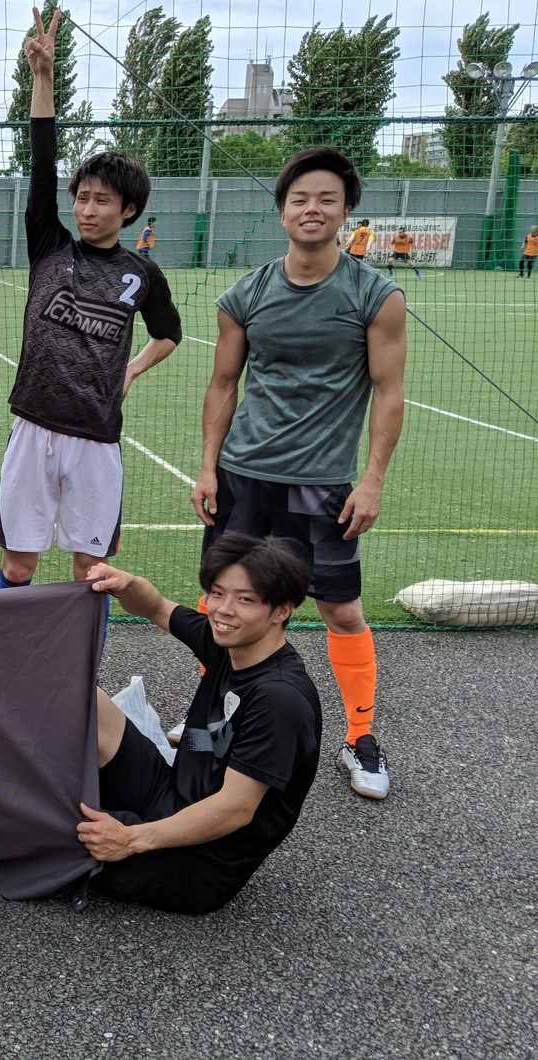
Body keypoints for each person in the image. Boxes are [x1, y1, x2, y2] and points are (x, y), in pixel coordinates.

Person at [193, 146, 407, 800]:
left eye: (326, 199)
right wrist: (207, 467)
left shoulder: (376, 296)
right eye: (299, 199)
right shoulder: (247, 294)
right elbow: (223, 384)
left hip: (324, 483)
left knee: (341, 609)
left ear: (346, 212)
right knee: (225, 602)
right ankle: (212, 720)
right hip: (243, 476)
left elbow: (389, 393)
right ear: (282, 210)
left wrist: (371, 481)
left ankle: (360, 737)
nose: (312, 209)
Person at [0, 8, 182, 590]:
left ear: (129, 210)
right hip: (33, 427)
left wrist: (132, 368)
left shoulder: (142, 273)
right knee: (18, 566)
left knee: (90, 571)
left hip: (98, 440)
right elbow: (42, 162)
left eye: (102, 201)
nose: (87, 209)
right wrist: (43, 78)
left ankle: (82, 656)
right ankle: (13, 651)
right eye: (82, 197)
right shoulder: (50, 246)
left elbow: (169, 334)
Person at [79, 535, 320, 914]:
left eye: (245, 599)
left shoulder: (279, 699)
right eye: (218, 593)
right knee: (83, 699)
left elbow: (235, 809)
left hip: (198, 864)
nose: (224, 610)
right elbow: (156, 606)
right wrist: (125, 582)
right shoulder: (228, 643)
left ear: (281, 611)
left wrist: (130, 839)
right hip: (170, 795)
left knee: (41, 822)